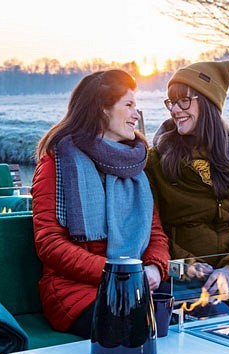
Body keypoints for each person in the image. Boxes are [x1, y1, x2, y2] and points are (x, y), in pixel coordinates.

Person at [32, 69, 170, 338]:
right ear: (102, 110)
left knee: (191, 311)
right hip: (75, 291)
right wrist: (120, 274)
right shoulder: (57, 161)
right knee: (135, 327)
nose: (136, 115)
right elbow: (49, 243)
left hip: (135, 283)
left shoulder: (135, 164)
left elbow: (154, 233)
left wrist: (154, 267)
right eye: (128, 105)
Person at [145, 60, 229, 305]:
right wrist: (190, 266)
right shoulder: (157, 160)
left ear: (209, 102)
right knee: (220, 321)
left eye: (184, 101)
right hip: (184, 280)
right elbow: (150, 231)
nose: (175, 110)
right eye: (171, 102)